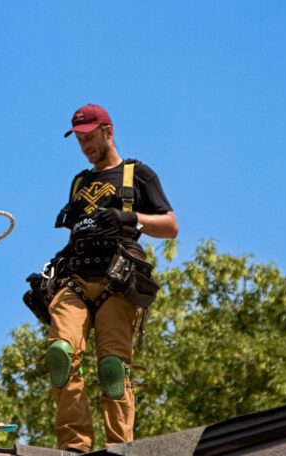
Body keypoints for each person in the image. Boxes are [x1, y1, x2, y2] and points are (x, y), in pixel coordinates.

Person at [46, 104, 178, 451]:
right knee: (60, 355)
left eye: (90, 137)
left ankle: (120, 447)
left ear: (109, 131)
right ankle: (74, 446)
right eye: (80, 139)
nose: (85, 145)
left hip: (116, 280)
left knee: (112, 368)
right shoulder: (79, 182)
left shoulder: (137, 174)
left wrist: (130, 218)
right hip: (74, 276)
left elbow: (171, 226)